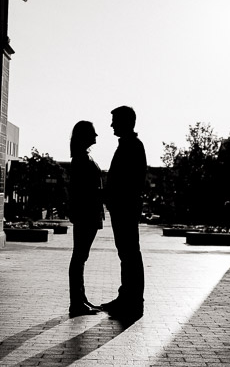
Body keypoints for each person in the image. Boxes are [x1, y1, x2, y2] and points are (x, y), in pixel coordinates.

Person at [100, 105, 147, 320]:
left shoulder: (133, 146)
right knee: (126, 254)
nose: (111, 125)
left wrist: (111, 195)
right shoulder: (128, 145)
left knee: (129, 254)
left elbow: (131, 181)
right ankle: (126, 297)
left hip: (125, 209)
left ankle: (132, 300)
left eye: (115, 120)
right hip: (123, 208)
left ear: (126, 122)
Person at [67, 120, 105, 317]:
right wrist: (102, 193)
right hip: (86, 213)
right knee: (79, 257)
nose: (97, 136)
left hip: (88, 213)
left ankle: (80, 299)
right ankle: (76, 302)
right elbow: (82, 190)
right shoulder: (81, 159)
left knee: (81, 257)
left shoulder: (83, 157)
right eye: (93, 133)